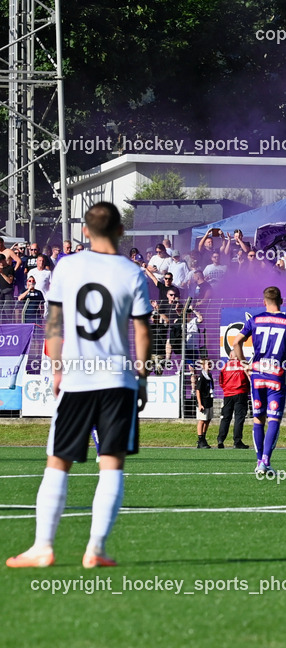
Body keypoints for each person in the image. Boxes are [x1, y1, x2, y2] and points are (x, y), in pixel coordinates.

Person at [6, 202, 151, 569]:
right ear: (121, 231)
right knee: (112, 464)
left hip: (77, 376)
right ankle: (96, 549)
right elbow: (142, 331)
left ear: (85, 231)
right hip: (118, 379)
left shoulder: (67, 266)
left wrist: (56, 370)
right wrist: (142, 377)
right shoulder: (132, 272)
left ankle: (43, 548)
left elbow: (54, 323)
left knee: (58, 462)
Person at [231, 286, 286, 477]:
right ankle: (266, 461)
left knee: (258, 419)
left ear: (264, 302)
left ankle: (258, 462)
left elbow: (236, 342)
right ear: (282, 301)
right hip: (276, 374)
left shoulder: (254, 320)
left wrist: (245, 365)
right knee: (274, 419)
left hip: (257, 374)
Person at [217, 350, 250, 449]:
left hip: (228, 394)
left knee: (226, 417)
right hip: (240, 393)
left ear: (230, 355)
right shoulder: (243, 365)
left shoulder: (225, 366)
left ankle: (220, 439)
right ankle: (237, 441)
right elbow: (249, 379)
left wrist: (226, 389)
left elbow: (221, 381)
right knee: (239, 418)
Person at [192, 357, 214, 449]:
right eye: (208, 364)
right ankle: (200, 439)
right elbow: (198, 391)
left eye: (210, 363)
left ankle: (204, 437)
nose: (209, 365)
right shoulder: (202, 377)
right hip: (203, 402)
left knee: (208, 420)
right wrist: (200, 404)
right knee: (202, 420)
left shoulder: (209, 376)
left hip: (209, 400)